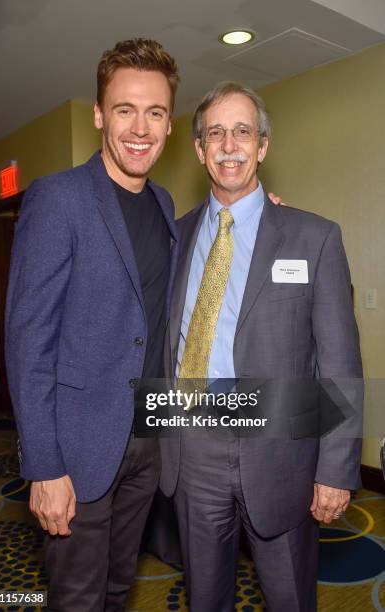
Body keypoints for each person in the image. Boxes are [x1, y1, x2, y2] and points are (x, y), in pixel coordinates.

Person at [160, 81, 363, 611]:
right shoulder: (173, 238)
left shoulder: (313, 238)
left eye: (243, 132)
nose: (230, 145)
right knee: (204, 597)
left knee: (290, 596)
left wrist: (336, 470)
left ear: (263, 145)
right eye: (216, 133)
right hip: (192, 447)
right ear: (200, 149)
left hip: (283, 453)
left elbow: (338, 363)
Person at [5, 38, 180, 611]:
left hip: (149, 443)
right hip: (77, 451)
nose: (140, 126)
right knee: (76, 598)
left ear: (169, 124)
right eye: (125, 109)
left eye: (154, 111)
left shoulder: (165, 205)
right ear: (101, 114)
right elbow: (29, 341)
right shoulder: (59, 199)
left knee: (116, 587)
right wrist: (44, 466)